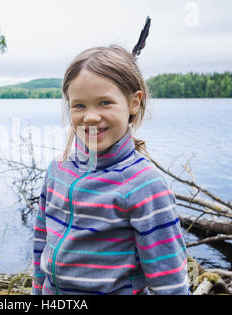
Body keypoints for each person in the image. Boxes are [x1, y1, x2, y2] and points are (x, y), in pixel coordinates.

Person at [32, 31, 189, 295]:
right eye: (79, 105)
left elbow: (170, 278)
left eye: (105, 103)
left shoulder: (144, 184)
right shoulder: (57, 170)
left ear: (133, 103)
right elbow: (40, 242)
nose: (91, 117)